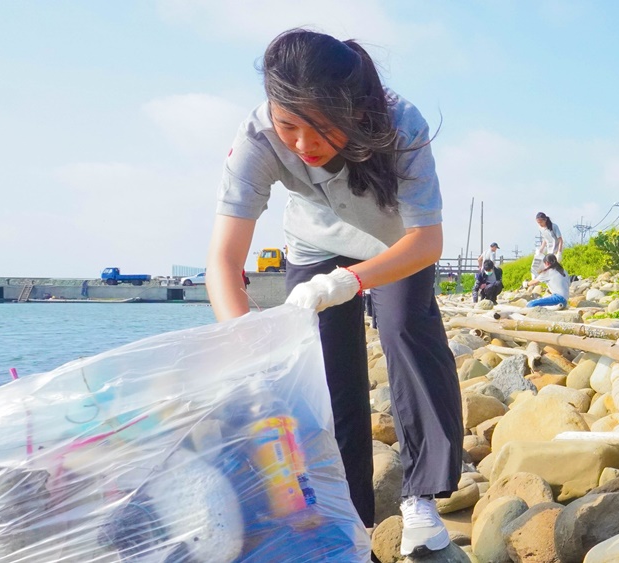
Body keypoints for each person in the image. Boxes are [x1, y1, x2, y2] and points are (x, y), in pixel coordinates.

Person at [204, 29, 462, 556]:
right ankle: (350, 515)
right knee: (324, 377)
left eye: (321, 127)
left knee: (406, 331)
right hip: (313, 245)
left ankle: (422, 496)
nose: (303, 145)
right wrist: (243, 340)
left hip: (396, 246)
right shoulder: (257, 137)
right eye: (289, 126)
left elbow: (428, 241)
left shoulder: (400, 122)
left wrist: (351, 281)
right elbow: (224, 261)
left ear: (355, 109)